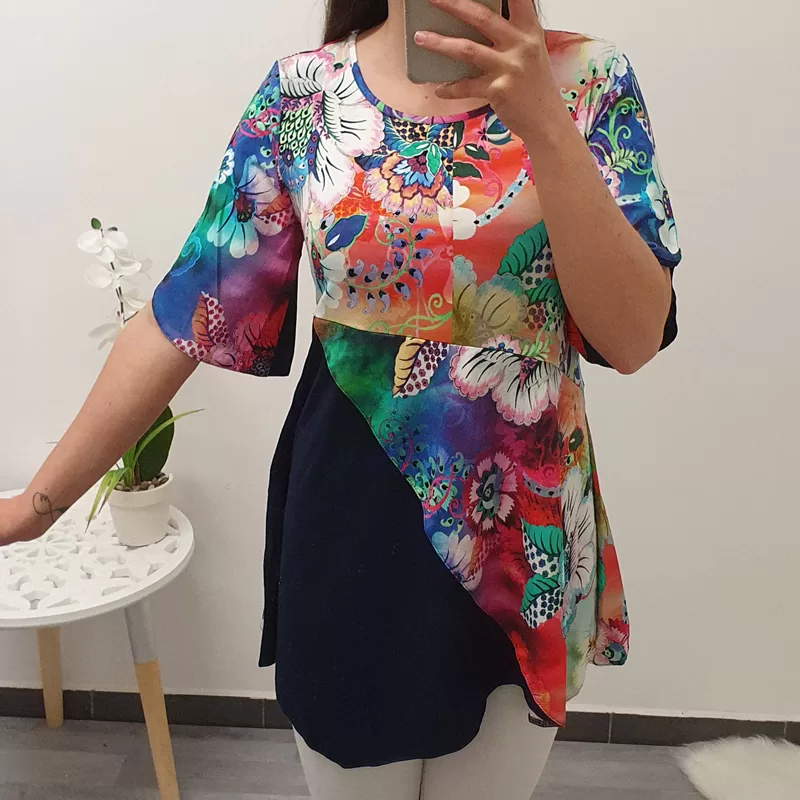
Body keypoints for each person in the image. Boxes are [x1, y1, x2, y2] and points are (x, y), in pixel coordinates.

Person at [0, 0, 682, 797]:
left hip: (521, 542)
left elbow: (632, 337)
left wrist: (545, 125)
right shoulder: (305, 94)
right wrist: (36, 508)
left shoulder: (589, 82)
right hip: (351, 526)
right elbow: (185, 315)